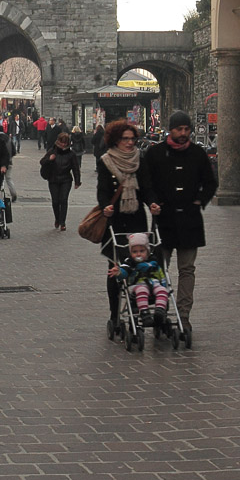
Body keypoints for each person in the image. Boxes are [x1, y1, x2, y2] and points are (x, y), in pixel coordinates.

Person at [144, 110, 218, 335]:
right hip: (164, 220)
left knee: (187, 270)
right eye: (179, 130)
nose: (183, 134)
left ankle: (183, 316)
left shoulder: (197, 153)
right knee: (159, 269)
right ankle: (161, 312)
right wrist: (152, 202)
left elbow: (211, 182)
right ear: (171, 130)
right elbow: (146, 182)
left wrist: (199, 201)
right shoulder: (155, 153)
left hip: (189, 220)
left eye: (186, 130)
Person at [96, 119, 156, 328]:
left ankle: (138, 305)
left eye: (132, 139)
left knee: (139, 264)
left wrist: (152, 203)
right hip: (115, 220)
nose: (130, 143)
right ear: (116, 140)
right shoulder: (105, 161)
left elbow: (147, 187)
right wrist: (105, 206)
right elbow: (103, 189)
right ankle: (115, 314)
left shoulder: (140, 159)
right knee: (115, 268)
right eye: (125, 139)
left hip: (136, 219)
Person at [108, 231, 168, 325]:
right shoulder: (130, 263)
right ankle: (145, 314)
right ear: (130, 252)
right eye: (135, 252)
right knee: (142, 290)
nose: (138, 254)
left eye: (141, 251)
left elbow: (161, 274)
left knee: (162, 290)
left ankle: (159, 311)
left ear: (147, 251)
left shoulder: (153, 262)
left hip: (154, 283)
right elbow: (124, 271)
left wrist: (164, 284)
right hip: (137, 286)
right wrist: (119, 272)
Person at [40, 130, 81, 230]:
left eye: (65, 143)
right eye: (62, 142)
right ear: (58, 142)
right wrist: (50, 159)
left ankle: (63, 222)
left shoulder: (71, 154)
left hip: (66, 179)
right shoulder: (52, 151)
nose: (63, 145)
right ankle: (57, 219)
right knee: (55, 201)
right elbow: (42, 162)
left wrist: (77, 181)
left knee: (63, 199)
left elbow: (76, 168)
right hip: (53, 179)